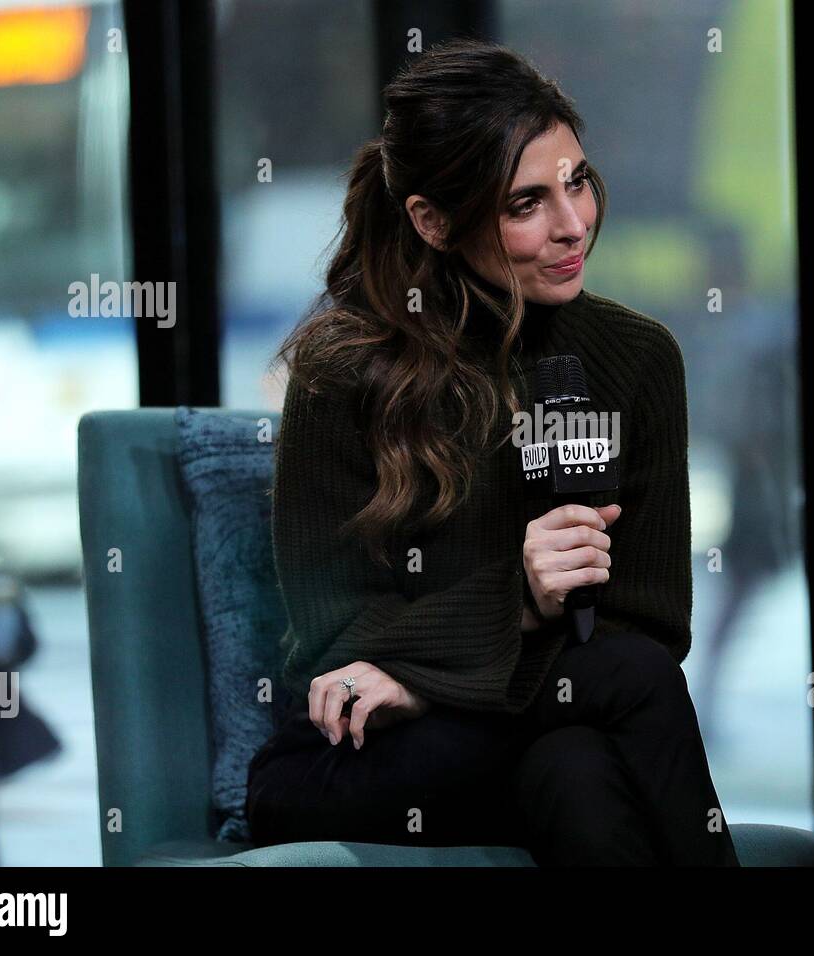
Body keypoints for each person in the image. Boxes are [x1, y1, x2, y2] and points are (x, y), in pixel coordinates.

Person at [245, 38, 739, 867]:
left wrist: (420, 670)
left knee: (578, 769)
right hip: (367, 759)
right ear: (432, 221)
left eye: (577, 181)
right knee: (621, 690)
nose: (572, 223)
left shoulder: (638, 358)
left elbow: (650, 617)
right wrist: (516, 599)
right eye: (525, 204)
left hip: (546, 725)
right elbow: (336, 640)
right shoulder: (345, 370)